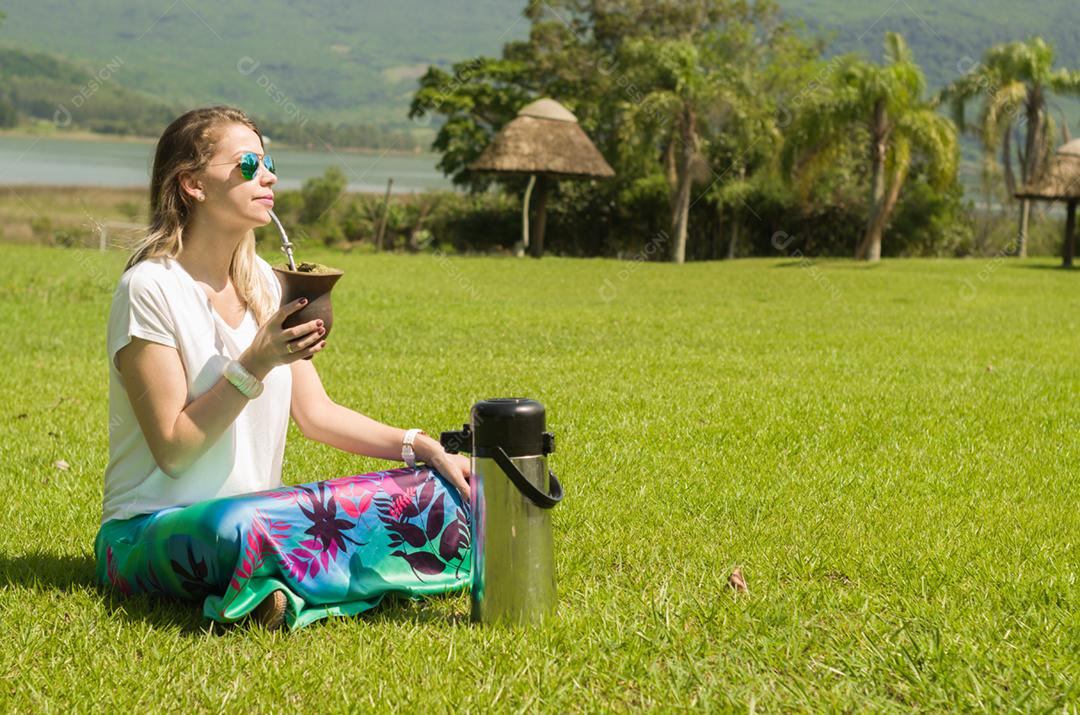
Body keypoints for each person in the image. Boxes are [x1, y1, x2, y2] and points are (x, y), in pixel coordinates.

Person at [94, 106, 473, 631]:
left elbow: (316, 415)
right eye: (248, 164)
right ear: (192, 184)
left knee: (427, 492)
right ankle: (310, 580)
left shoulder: (266, 287)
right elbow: (175, 450)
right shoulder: (150, 289)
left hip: (260, 515)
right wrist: (257, 360)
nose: (268, 175)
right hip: (148, 533)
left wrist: (425, 449)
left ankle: (278, 588)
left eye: (267, 161)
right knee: (243, 528)